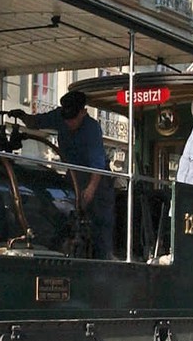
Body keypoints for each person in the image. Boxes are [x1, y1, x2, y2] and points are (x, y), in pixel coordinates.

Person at [10, 91, 115, 259]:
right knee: (65, 213)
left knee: (100, 220)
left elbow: (98, 166)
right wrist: (23, 116)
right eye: (66, 118)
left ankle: (104, 258)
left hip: (96, 179)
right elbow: (36, 122)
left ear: (83, 112)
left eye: (73, 118)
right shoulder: (59, 116)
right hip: (72, 174)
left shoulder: (92, 128)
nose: (69, 123)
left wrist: (90, 190)